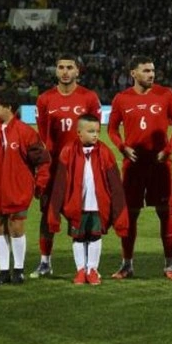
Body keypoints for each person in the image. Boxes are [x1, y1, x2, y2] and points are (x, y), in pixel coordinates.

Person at [107, 55, 172, 280]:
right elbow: (112, 129)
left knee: (165, 212)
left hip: (160, 164)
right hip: (133, 166)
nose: (151, 74)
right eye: (146, 71)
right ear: (133, 73)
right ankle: (127, 265)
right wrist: (122, 147)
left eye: (152, 70)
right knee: (130, 214)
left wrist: (169, 149)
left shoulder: (166, 94)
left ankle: (170, 266)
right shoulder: (122, 98)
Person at [32, 53, 102, 278]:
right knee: (47, 214)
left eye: (69, 67)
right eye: (61, 67)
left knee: (81, 213)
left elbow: (94, 132)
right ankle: (45, 262)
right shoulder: (45, 99)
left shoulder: (89, 97)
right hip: (54, 169)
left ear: (77, 71)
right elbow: (42, 136)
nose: (65, 71)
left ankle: (85, 266)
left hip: (81, 168)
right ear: (56, 70)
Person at [0, 89, 51, 285]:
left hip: (18, 189)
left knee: (16, 227)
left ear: (8, 107)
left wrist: (40, 184)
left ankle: (18, 269)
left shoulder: (26, 132)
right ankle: (3, 271)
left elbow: (42, 161)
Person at [47, 114, 128, 285]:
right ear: (79, 133)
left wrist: (119, 212)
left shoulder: (105, 152)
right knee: (78, 237)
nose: (95, 135)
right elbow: (60, 183)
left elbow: (115, 184)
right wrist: (54, 212)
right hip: (76, 205)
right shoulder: (68, 151)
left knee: (95, 236)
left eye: (97, 131)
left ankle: (92, 269)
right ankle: (80, 270)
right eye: (91, 131)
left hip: (98, 204)